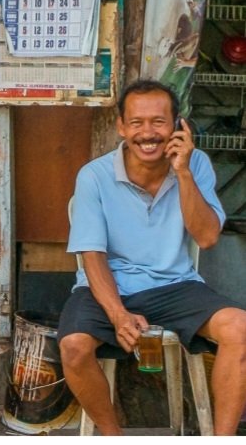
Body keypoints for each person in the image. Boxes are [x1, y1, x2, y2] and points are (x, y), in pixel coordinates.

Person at [58, 79, 246, 436]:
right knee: (74, 347)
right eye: (137, 122)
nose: (148, 133)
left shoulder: (196, 165)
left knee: (241, 328)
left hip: (175, 284)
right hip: (107, 288)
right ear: (121, 127)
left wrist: (184, 172)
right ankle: (114, 437)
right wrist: (118, 314)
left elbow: (206, 237)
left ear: (178, 125)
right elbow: (92, 256)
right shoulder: (94, 177)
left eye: (159, 122)